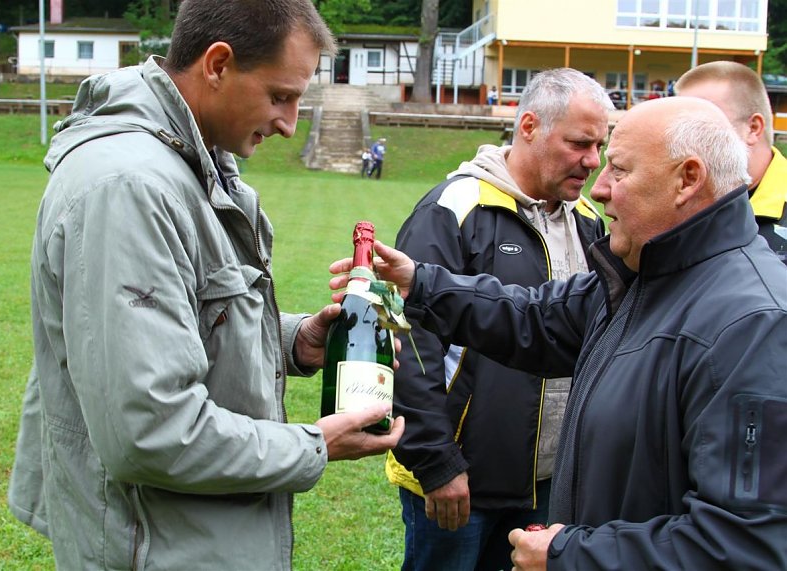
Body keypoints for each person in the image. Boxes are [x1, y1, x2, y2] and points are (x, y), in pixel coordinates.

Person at [7, 1, 404, 569]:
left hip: (190, 536)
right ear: (217, 64)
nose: (290, 125)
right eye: (280, 96)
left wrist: (294, 340)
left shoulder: (185, 162)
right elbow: (151, 430)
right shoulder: (131, 186)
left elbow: (187, 314)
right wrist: (313, 445)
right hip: (155, 547)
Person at [331, 96, 787, 569]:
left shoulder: (754, 325)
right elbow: (536, 319)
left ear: (687, 180)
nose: (602, 186)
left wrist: (570, 556)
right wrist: (423, 283)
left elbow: (745, 543)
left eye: (619, 170)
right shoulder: (644, 275)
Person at [387, 68, 612, 571]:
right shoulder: (456, 206)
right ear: (528, 125)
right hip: (464, 481)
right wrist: (437, 462)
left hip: (555, 483)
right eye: (579, 142)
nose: (592, 161)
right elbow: (408, 337)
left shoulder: (591, 223)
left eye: (601, 145)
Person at [675, 60, 787, 264]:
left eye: (700, 126)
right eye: (678, 128)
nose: (683, 142)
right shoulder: (676, 199)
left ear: (753, 128)